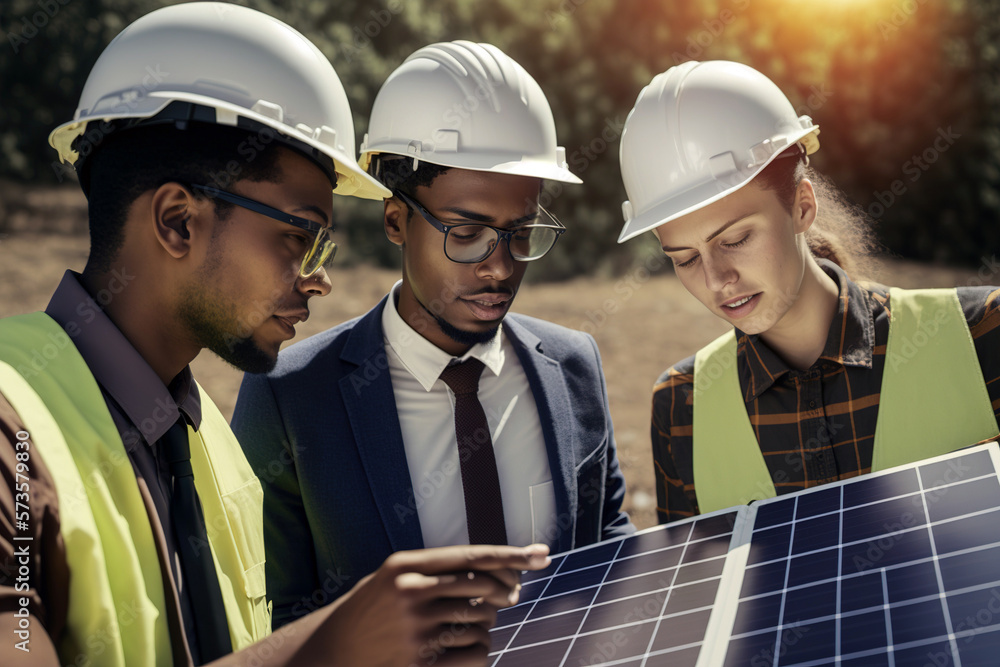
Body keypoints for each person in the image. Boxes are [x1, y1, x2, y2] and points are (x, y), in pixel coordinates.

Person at [0, 6, 550, 666]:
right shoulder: (13, 436)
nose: (317, 280)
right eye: (298, 237)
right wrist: (325, 647)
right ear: (177, 221)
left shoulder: (218, 453)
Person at [232, 40, 635, 628]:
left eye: (520, 233)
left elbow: (609, 549)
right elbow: (271, 618)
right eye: (467, 233)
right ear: (396, 220)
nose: (499, 267)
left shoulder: (574, 365)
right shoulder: (292, 397)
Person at [616, 60, 1000, 524]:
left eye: (735, 240)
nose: (717, 280)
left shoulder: (984, 334)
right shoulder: (681, 407)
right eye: (686, 259)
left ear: (801, 207)